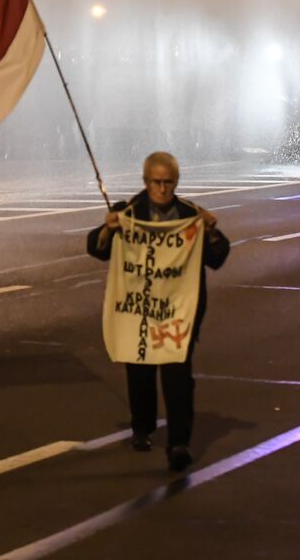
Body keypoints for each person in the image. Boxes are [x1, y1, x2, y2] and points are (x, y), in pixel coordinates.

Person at [86, 152, 230, 472]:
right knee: (140, 370)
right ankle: (142, 427)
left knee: (178, 377)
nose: (162, 189)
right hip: (139, 308)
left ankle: (179, 443)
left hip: (178, 310)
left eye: (168, 182)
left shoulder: (190, 215)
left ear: (176, 182)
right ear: (145, 182)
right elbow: (96, 248)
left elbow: (218, 257)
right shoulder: (127, 213)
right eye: (156, 182)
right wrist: (108, 229)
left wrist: (211, 231)